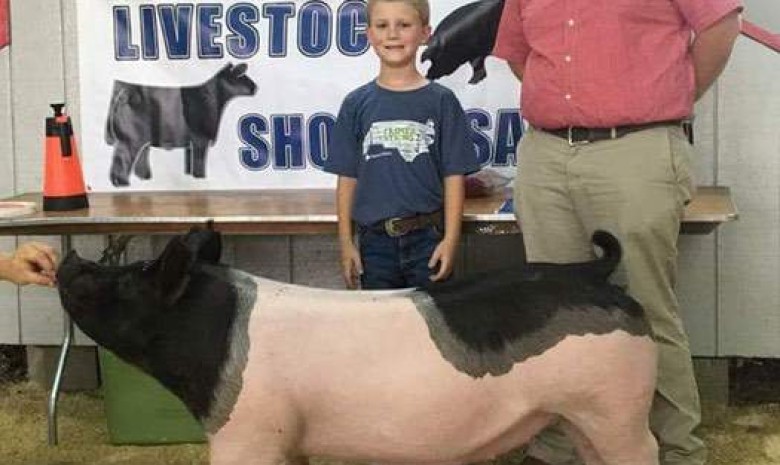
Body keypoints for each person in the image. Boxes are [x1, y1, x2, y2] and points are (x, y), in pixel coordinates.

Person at [492, 1, 742, 464]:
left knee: (647, 309)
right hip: (546, 152)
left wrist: (671, 91)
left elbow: (721, 25)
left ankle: (676, 450)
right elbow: (518, 52)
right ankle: (558, 447)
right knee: (553, 313)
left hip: (637, 146)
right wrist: (569, 102)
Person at [325, 0, 480, 290]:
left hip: (428, 239)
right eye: (382, 26)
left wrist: (450, 240)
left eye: (404, 25)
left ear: (425, 34)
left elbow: (454, 176)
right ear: (369, 34)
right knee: (381, 330)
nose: (393, 34)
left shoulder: (442, 101)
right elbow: (347, 178)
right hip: (374, 244)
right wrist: (346, 242)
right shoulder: (356, 104)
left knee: (434, 327)